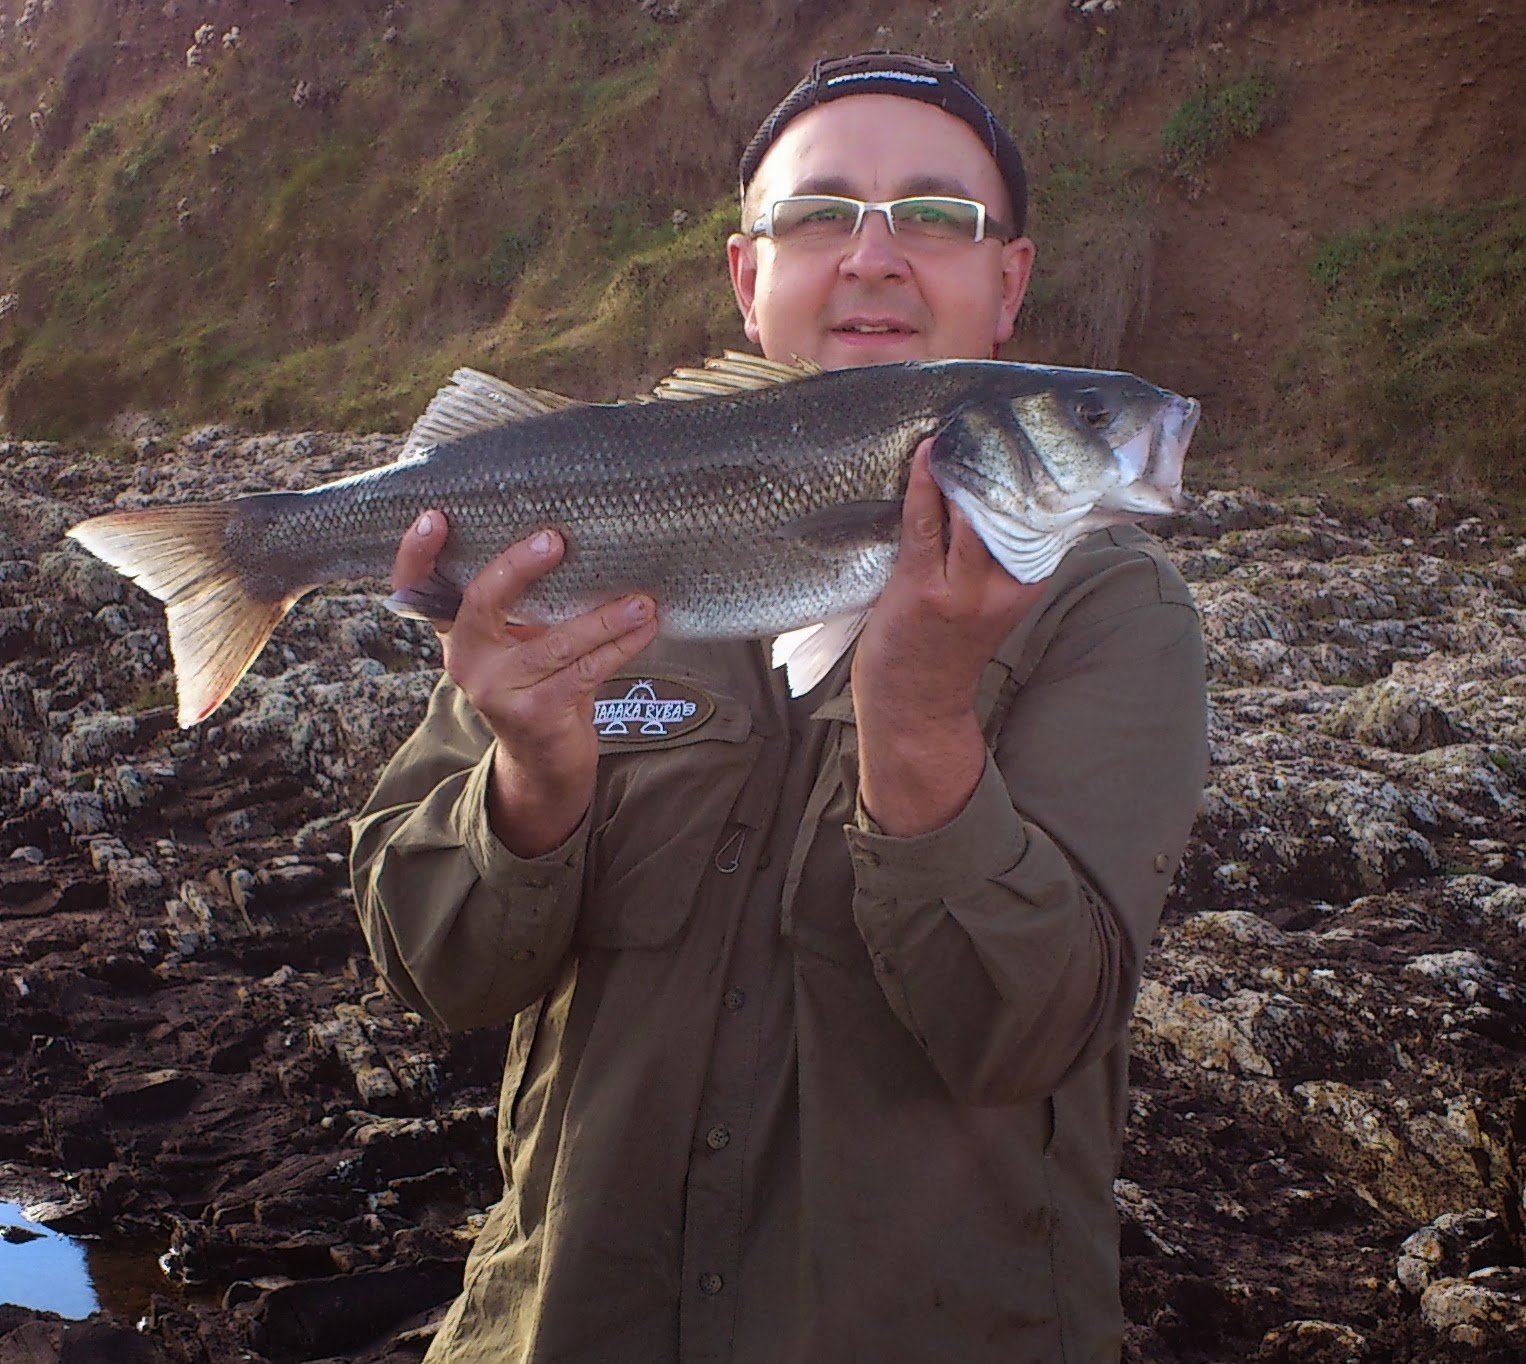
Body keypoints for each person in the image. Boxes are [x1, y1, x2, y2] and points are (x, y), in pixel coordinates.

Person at [351, 51, 1208, 1364]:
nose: (872, 256)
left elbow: (1031, 1029)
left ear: (1007, 285)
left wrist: (918, 721)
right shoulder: (569, 567)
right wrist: (528, 776)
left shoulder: (1111, 614)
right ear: (749, 279)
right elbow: (436, 976)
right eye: (819, 216)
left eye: (936, 217)